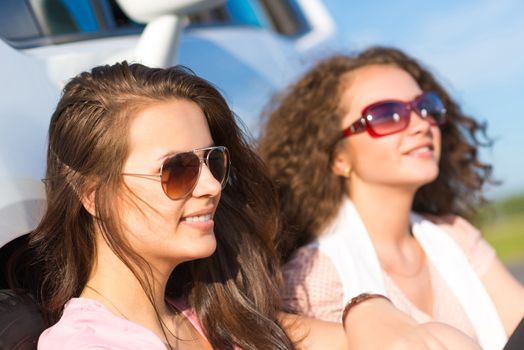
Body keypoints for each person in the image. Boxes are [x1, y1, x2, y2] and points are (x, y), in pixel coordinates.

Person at [29, 61, 480, 350]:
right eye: (178, 170)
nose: (210, 186)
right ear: (93, 195)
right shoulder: (87, 344)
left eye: (214, 161)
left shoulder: (216, 316)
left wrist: (366, 306)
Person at [258, 47, 524, 350]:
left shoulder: (455, 236)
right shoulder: (314, 277)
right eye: (386, 116)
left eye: (426, 106)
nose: (422, 124)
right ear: (338, 158)